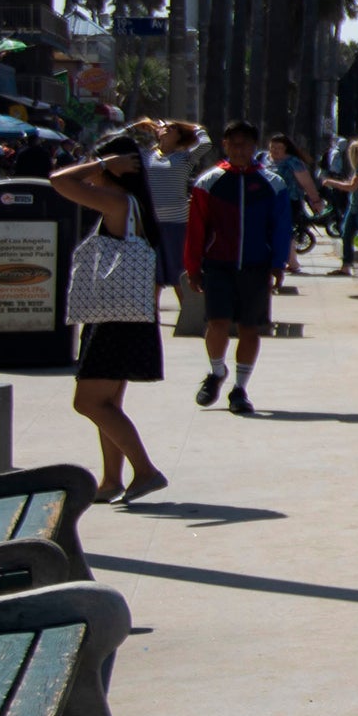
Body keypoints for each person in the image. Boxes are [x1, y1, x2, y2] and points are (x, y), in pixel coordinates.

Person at [48, 120, 184, 505]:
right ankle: (111, 480)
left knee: (88, 402)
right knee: (108, 404)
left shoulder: (118, 202)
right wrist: (107, 164)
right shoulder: (135, 205)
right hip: (124, 315)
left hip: (115, 319)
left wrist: (103, 163)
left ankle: (145, 470)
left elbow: (58, 180)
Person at [187, 119, 294, 414]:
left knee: (250, 328)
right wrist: (193, 266)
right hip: (218, 264)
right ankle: (217, 372)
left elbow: (281, 227)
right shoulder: (208, 182)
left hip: (256, 266)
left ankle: (240, 389)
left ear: (254, 147)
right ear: (225, 145)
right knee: (217, 323)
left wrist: (278, 264)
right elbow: (196, 229)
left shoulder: (273, 184)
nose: (239, 149)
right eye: (233, 143)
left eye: (245, 144)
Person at [266, 132, 324, 294]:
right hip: (266, 202)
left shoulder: (293, 162)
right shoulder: (264, 160)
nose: (275, 150)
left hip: (289, 201)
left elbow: (306, 182)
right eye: (273, 147)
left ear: (286, 148)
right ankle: (285, 260)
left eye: (279, 147)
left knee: (286, 230)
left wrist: (315, 200)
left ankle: (291, 261)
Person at [320, 136, 358, 273]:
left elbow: (352, 186)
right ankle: (346, 266)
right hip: (354, 206)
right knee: (346, 234)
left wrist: (332, 183)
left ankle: (348, 265)